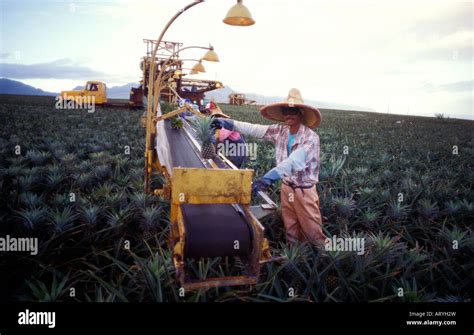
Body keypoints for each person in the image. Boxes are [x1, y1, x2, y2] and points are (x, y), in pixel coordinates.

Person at [213, 88, 326, 246]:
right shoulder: (281, 131)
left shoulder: (311, 138)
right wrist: (229, 123)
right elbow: (254, 129)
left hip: (303, 191)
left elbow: (293, 162)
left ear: (301, 113)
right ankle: (295, 258)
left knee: (312, 233)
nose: (288, 114)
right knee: (291, 228)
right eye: (285, 110)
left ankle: (323, 260)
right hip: (287, 187)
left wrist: (267, 179)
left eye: (292, 110)